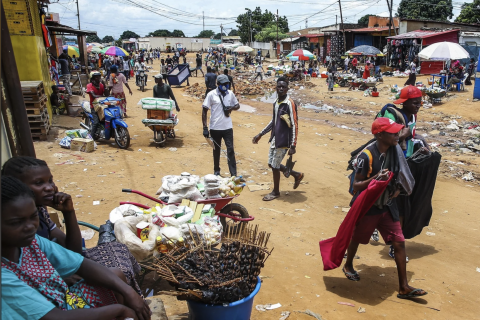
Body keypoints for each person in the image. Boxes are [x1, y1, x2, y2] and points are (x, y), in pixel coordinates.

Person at [0, 176, 151, 319]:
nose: (30, 227)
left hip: (63, 304)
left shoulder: (32, 242)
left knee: (115, 277)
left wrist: (129, 292)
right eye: (16, 222)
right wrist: (120, 309)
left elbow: (81, 264)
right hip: (54, 316)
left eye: (33, 217)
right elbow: (55, 318)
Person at [342, 118, 428, 300]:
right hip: (369, 206)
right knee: (357, 237)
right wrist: (374, 180)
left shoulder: (394, 151)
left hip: (388, 205)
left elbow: (399, 173)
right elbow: (356, 185)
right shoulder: (367, 156)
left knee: (399, 242)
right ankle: (348, 265)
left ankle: (404, 287)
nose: (397, 135)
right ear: (380, 135)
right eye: (393, 132)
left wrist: (396, 188)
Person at [376, 86, 441, 258]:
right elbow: (385, 134)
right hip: (393, 165)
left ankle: (391, 238)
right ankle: (394, 245)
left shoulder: (412, 115)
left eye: (420, 102)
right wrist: (402, 134)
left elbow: (411, 135)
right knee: (395, 206)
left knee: (400, 205)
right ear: (404, 103)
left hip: (407, 163)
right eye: (414, 102)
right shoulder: (392, 114)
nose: (418, 105)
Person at [252, 77, 304, 201]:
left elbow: (294, 124)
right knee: (271, 164)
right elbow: (273, 121)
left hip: (284, 140)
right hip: (275, 138)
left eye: (283, 87)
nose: (280, 89)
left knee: (275, 166)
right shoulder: (276, 102)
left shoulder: (289, 103)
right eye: (279, 86)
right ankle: (296, 175)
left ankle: (276, 192)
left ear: (287, 89)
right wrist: (261, 134)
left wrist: (293, 145)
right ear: (276, 88)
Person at [202, 74, 240, 176]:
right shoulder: (211, 94)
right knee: (216, 150)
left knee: (230, 149)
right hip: (215, 127)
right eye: (223, 84)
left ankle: (233, 174)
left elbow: (237, 105)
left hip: (227, 127)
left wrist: (231, 108)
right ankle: (217, 171)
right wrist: (205, 127)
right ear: (218, 84)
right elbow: (204, 110)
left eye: (227, 84)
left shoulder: (230, 94)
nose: (225, 85)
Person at [86, 72, 106, 140]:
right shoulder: (89, 86)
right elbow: (93, 96)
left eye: (99, 77)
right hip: (94, 106)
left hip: (102, 105)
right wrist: (103, 96)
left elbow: (107, 94)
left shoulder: (101, 85)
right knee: (96, 122)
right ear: (93, 78)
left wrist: (104, 85)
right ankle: (91, 138)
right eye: (96, 77)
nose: (98, 78)